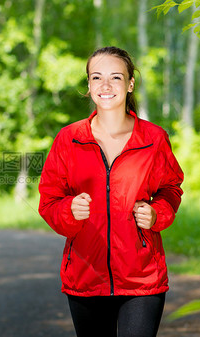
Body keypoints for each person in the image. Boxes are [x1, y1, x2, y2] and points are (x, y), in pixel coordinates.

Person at [38, 46, 184, 337]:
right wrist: (69, 211)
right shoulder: (69, 139)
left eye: (115, 77)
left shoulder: (154, 139)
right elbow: (49, 201)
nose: (105, 86)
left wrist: (157, 214)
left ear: (130, 84)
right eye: (96, 77)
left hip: (142, 278)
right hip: (85, 277)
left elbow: (170, 188)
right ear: (89, 85)